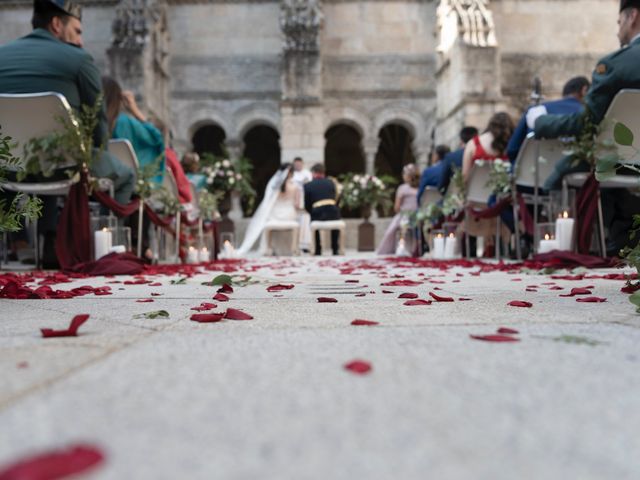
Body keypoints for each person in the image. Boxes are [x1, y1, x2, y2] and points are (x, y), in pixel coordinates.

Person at [0, 0, 135, 266]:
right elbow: (97, 120)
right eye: (78, 30)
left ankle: (21, 240)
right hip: (64, 163)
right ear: (56, 24)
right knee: (125, 174)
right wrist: (95, 158)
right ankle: (101, 247)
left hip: (6, 165)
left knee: (38, 158)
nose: (81, 40)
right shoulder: (79, 59)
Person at [535, 0, 640, 255]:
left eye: (619, 23)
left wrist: (539, 121)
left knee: (561, 172)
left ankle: (570, 245)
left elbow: (587, 124)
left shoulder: (616, 64)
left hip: (625, 160)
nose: (618, 31)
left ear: (632, 16)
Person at [507, 76, 590, 163]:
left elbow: (512, 150)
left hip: (538, 172)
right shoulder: (589, 114)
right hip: (581, 172)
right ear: (584, 90)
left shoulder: (535, 110)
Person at [102, 76, 165, 184]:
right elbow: (156, 138)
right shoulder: (124, 123)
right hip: (125, 183)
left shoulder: (87, 121)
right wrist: (135, 110)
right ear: (118, 99)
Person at [237, 163, 299, 256]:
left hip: (275, 214)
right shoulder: (295, 186)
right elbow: (297, 204)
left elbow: (269, 201)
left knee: (268, 218)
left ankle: (270, 247)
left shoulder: (275, 185)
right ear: (291, 173)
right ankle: (292, 249)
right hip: (289, 214)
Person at [377, 164, 419, 255]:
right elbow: (398, 207)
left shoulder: (408, 188)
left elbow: (397, 207)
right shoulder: (411, 188)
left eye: (404, 174)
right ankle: (403, 246)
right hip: (410, 215)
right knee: (401, 225)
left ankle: (408, 247)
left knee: (405, 224)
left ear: (408, 176)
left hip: (411, 215)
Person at [304, 163, 341, 255]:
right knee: (336, 217)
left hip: (317, 212)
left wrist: (311, 212)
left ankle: (318, 249)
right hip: (333, 211)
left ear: (313, 173)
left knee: (313, 219)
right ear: (323, 172)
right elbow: (338, 198)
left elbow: (307, 204)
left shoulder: (308, 185)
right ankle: (335, 249)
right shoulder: (332, 182)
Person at [436, 126, 479, 194]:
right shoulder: (481, 155)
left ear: (461, 140)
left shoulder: (450, 157)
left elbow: (442, 185)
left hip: (457, 197)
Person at [290, 156, 312, 252]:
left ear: (302, 164)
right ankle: (294, 244)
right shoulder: (291, 174)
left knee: (305, 223)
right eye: (296, 164)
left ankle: (305, 245)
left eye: (299, 164)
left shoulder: (307, 173)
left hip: (304, 200)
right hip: (293, 201)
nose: (298, 166)